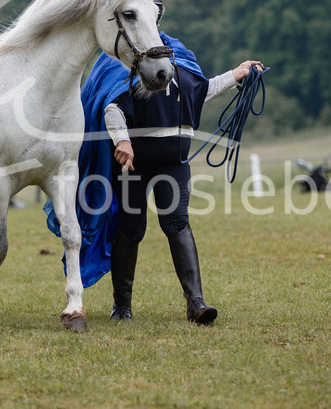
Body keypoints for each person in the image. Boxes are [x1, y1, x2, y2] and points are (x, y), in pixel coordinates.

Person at [47, 31, 262, 325]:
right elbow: (111, 105)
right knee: (132, 228)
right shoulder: (126, 61)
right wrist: (122, 141)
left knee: (177, 222)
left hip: (173, 162)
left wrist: (237, 74)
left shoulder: (180, 55)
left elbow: (201, 91)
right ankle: (121, 307)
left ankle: (196, 303)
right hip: (135, 164)